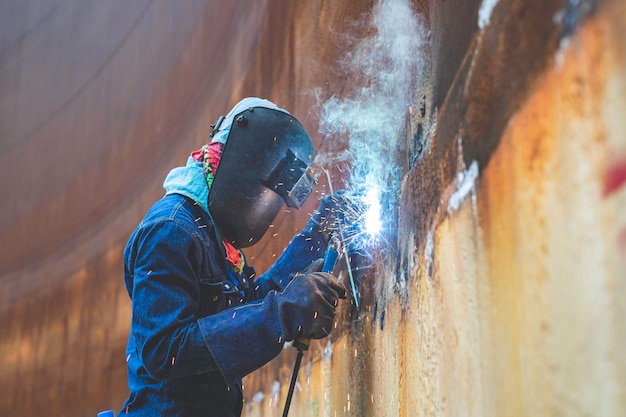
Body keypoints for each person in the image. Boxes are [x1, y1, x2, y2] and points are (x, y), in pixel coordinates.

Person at [118, 97, 347, 416]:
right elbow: (164, 349)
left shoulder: (213, 236)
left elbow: (245, 309)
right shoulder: (171, 230)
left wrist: (318, 237)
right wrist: (283, 312)